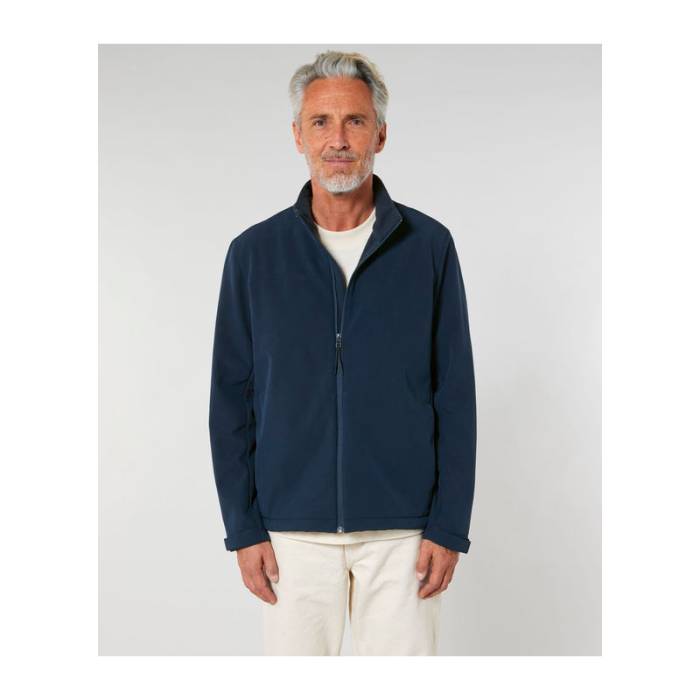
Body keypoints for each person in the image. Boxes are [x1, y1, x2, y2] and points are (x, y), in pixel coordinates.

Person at [208, 50, 477, 655]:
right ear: (297, 136)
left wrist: (448, 525)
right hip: (290, 534)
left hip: (404, 535)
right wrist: (243, 528)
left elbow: (455, 394)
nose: (338, 139)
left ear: (380, 133)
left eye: (355, 121)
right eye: (321, 122)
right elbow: (230, 401)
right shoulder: (254, 255)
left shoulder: (428, 247)